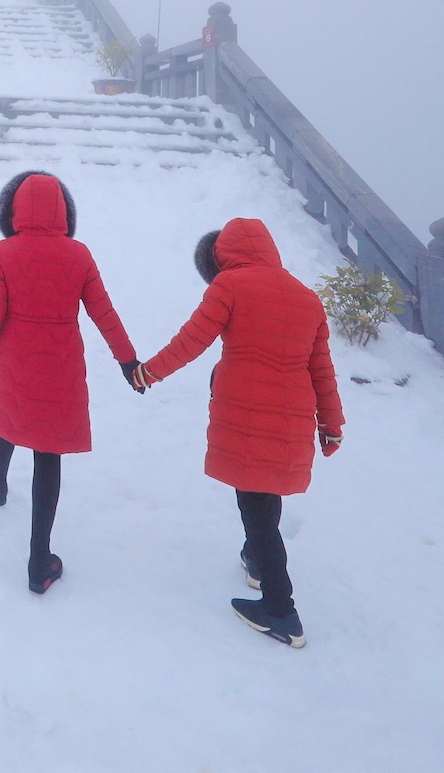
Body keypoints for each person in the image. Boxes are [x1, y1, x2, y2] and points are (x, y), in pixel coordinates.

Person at [131, 218, 344, 647]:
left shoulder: (229, 286)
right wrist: (331, 425)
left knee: (255, 505)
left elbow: (192, 340)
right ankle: (257, 563)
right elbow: (321, 368)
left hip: (248, 414)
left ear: (223, 255)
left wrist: (148, 372)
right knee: (265, 492)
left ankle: (281, 611)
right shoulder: (306, 298)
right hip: (291, 416)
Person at [0, 171, 142, 594]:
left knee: (6, 413)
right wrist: (128, 360)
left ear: (15, 210)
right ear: (64, 211)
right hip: (61, 369)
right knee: (48, 457)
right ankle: (39, 559)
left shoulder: (5, 252)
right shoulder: (78, 255)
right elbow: (104, 313)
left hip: (15, 358)